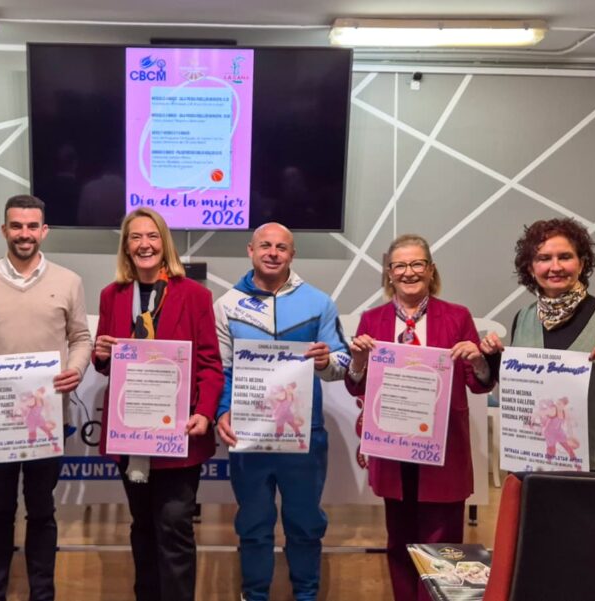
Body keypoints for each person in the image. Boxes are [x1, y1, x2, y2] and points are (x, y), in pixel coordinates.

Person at [344, 234, 494, 601]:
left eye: (417, 264)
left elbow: (479, 384)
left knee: (442, 544)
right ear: (389, 274)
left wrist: (477, 359)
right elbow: (355, 386)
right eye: (400, 266)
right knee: (399, 541)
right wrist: (359, 362)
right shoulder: (372, 319)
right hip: (393, 449)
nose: (409, 272)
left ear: (430, 270)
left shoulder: (457, 317)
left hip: (443, 450)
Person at [0, 194, 92, 601]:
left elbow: (81, 338)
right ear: (4, 231)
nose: (24, 234)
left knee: (42, 512)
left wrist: (77, 368)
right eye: (16, 226)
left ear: (44, 231)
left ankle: (42, 594)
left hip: (46, 420)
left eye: (32, 226)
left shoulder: (68, 281)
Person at [92, 207, 224, 601]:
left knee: (174, 528)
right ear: (126, 246)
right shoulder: (112, 296)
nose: (144, 244)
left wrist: (204, 412)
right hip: (131, 435)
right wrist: (100, 353)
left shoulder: (195, 295)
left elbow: (209, 365)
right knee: (142, 528)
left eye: (151, 236)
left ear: (163, 243)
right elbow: (107, 364)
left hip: (178, 437)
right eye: (135, 237)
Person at [213, 223, 351, 601]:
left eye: (282, 248)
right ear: (250, 250)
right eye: (265, 246)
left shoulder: (319, 302)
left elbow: (342, 361)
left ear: (292, 255)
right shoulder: (226, 305)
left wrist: (325, 361)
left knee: (305, 524)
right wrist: (222, 412)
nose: (273, 253)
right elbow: (222, 369)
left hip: (305, 435)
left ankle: (306, 595)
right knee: (253, 525)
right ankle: (254, 595)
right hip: (249, 434)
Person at [479, 218, 595, 472]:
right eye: (544, 258)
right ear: (530, 268)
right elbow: (519, 390)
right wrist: (493, 358)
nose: (555, 267)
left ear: (582, 263)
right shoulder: (524, 317)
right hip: (534, 461)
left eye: (565, 256)